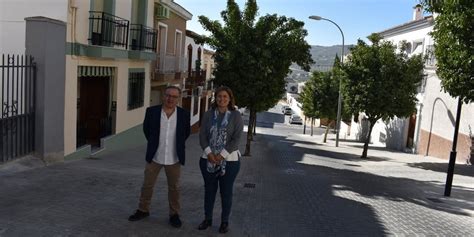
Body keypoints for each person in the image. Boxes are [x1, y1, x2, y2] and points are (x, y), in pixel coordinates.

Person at [128, 85, 191, 228]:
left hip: (174, 158)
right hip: (155, 157)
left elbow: (185, 133)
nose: (170, 99)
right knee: (147, 185)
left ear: (178, 98)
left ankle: (174, 214)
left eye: (174, 96)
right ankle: (143, 210)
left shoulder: (183, 114)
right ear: (164, 96)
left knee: (174, 188)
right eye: (168, 95)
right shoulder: (152, 112)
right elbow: (147, 130)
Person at [197, 86, 243, 233]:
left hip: (230, 161)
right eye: (219, 96)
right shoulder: (208, 114)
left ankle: (224, 222)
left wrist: (221, 155)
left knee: (226, 192)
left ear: (230, 99)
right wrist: (210, 154)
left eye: (225, 96)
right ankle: (207, 219)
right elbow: (202, 135)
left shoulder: (236, 116)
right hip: (208, 159)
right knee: (209, 191)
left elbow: (236, 139)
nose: (222, 99)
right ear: (215, 98)